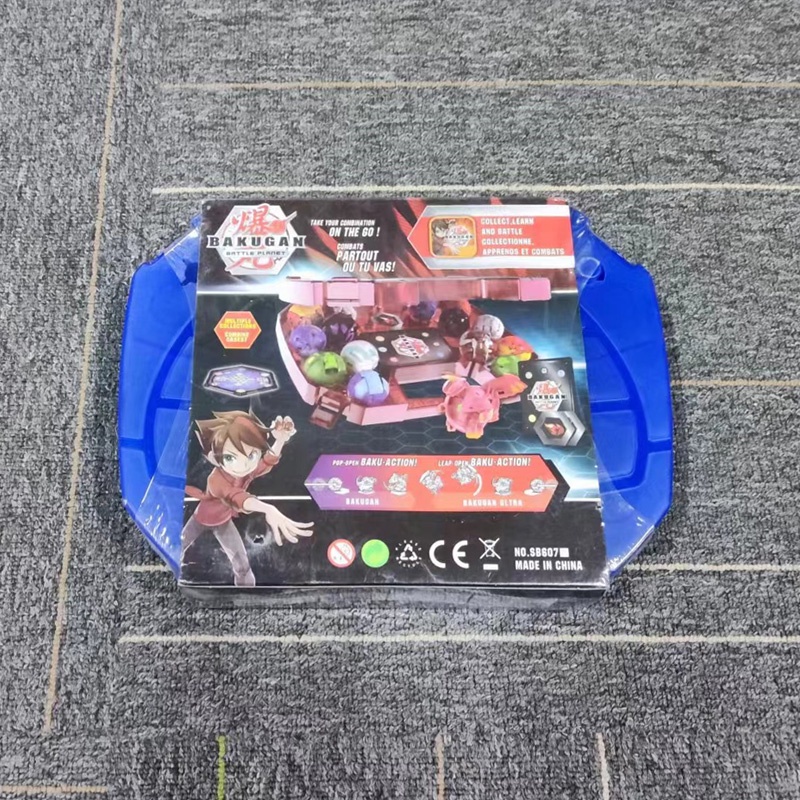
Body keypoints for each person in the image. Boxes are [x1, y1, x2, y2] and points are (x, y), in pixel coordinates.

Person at [181, 411, 313, 586]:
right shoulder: (216, 479)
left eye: (251, 455)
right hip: (200, 519)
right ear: (214, 457)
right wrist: (267, 508)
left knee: (242, 566)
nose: (244, 465)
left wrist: (280, 440)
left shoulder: (245, 471)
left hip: (224, 522)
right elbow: (237, 497)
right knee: (178, 547)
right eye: (230, 457)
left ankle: (245, 592)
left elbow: (265, 463)